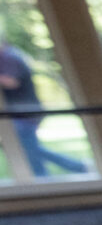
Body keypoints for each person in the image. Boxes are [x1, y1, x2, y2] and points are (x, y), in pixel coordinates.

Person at [0, 38, 89, 177]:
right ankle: (78, 167)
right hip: (18, 114)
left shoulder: (10, 58)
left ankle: (47, 178)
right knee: (26, 147)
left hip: (24, 114)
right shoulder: (8, 57)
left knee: (28, 149)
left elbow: (11, 82)